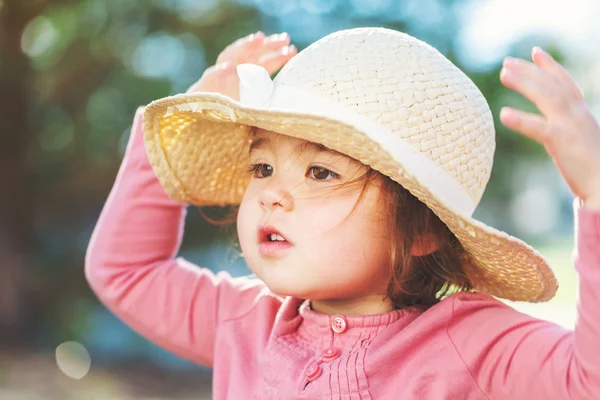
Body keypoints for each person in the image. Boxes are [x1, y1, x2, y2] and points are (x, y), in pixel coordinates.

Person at [85, 28, 600, 399]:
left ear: (421, 230)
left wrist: (597, 194)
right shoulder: (245, 323)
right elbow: (126, 271)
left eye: (321, 173)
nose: (270, 195)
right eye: (262, 167)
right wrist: (174, 139)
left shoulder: (473, 344)